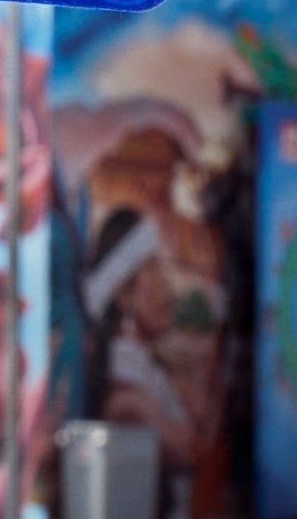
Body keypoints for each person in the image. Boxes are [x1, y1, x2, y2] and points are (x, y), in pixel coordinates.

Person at [84, 207, 196, 519]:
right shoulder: (125, 390)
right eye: (154, 268)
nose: (168, 287)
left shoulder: (147, 368)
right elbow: (189, 449)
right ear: (122, 293)